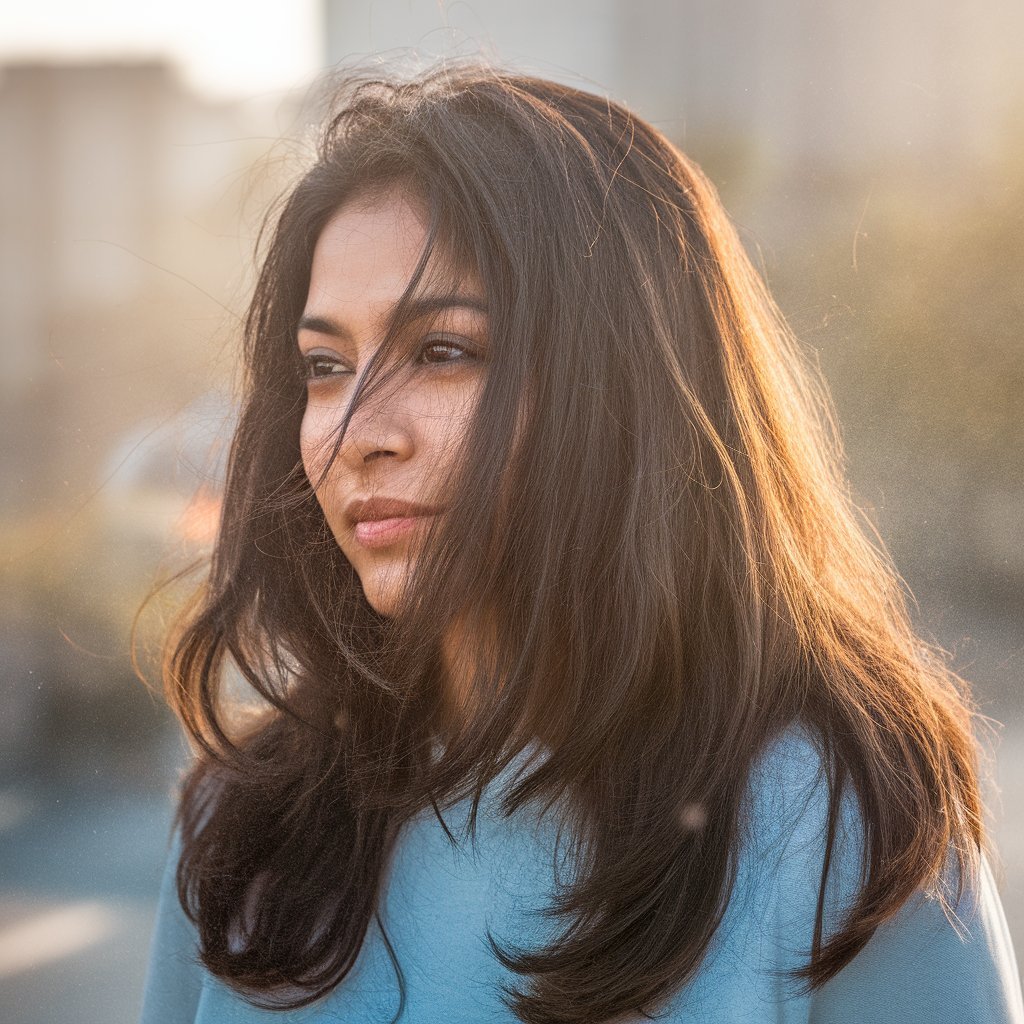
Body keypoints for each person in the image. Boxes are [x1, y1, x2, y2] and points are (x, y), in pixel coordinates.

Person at [138, 62, 1024, 1024]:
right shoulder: (243, 822)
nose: (356, 432)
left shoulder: (844, 828)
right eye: (323, 365)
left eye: (443, 351)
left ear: (620, 388)